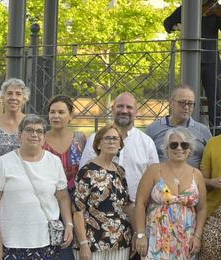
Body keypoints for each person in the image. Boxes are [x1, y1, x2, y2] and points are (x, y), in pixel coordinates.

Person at [0, 115, 75, 260]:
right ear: (20, 135)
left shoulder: (54, 162)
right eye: (29, 130)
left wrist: (69, 224)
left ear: (44, 137)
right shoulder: (5, 162)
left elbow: (63, 197)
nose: (35, 134)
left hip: (47, 243)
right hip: (12, 243)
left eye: (39, 131)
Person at [163, 0, 221, 125]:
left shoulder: (216, 9)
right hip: (191, 60)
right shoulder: (185, 9)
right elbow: (167, 23)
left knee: (215, 96)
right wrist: (177, 27)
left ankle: (216, 129)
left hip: (211, 59)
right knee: (186, 95)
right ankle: (184, 125)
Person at [134, 128, 207, 259]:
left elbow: (202, 208)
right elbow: (140, 203)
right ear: (166, 148)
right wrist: (140, 234)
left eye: (184, 145)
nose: (179, 148)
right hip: (156, 239)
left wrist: (197, 236)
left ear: (190, 149)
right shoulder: (154, 170)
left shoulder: (197, 174)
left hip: (186, 241)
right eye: (174, 144)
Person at [79, 93, 159, 205]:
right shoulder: (95, 139)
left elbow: (155, 179)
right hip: (98, 210)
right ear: (112, 109)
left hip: (137, 209)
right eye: (120, 106)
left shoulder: (147, 143)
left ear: (136, 111)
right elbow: (83, 174)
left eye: (129, 107)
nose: (124, 111)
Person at [73, 126, 133, 260]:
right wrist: (83, 244)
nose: (112, 142)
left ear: (120, 145)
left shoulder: (120, 171)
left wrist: (136, 233)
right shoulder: (87, 171)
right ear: (98, 144)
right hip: (92, 242)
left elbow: (126, 205)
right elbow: (78, 211)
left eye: (115, 139)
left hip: (120, 241)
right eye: (107, 138)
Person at [145, 85, 212, 169]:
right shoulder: (153, 129)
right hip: (161, 180)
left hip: (193, 180)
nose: (186, 107)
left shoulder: (203, 131)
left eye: (190, 104)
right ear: (171, 103)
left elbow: (212, 161)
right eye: (182, 102)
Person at [43, 95, 88, 194]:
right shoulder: (40, 140)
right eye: (52, 112)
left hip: (76, 199)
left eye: (61, 112)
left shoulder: (80, 139)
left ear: (71, 115)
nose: (56, 116)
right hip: (47, 198)